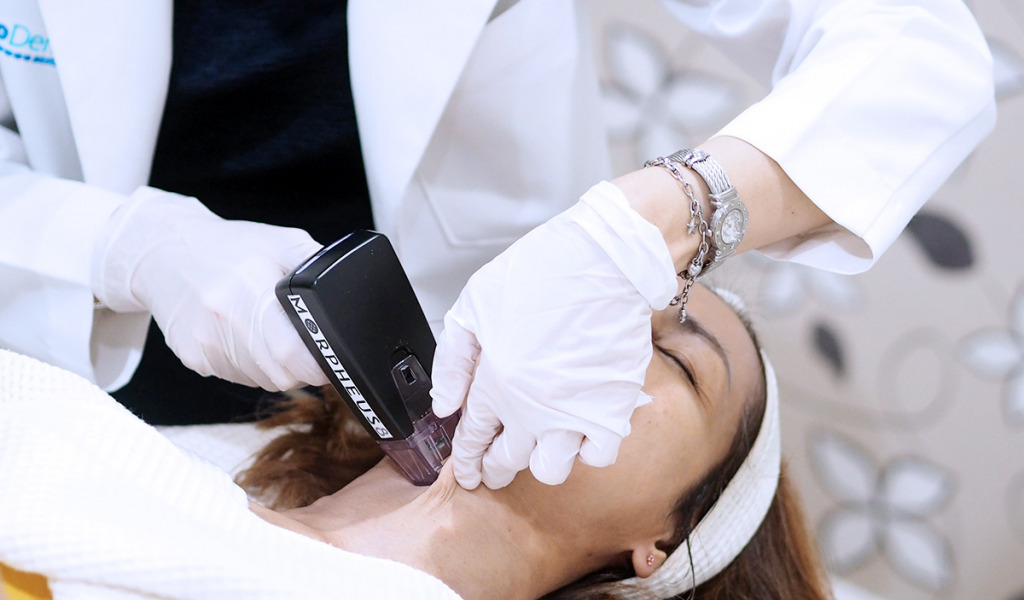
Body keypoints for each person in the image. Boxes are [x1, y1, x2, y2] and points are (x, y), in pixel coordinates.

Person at [0, 2, 995, 478]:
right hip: (64, 367)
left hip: (440, 393)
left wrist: (647, 228)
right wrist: (128, 245)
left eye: (675, 352)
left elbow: (916, 48)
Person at [0, 285, 865, 600]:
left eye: (677, 358)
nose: (606, 333)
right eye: (603, 300)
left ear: (663, 541)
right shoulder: (107, 442)